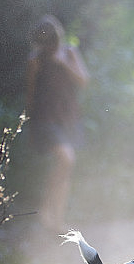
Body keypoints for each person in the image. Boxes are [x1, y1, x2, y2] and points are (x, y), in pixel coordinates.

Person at [26, 15, 89, 231]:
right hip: (45, 118)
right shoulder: (35, 59)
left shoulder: (69, 52)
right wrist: (30, 122)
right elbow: (31, 92)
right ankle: (47, 211)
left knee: (64, 167)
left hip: (68, 117)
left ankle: (56, 218)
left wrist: (63, 63)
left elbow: (83, 80)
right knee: (66, 159)